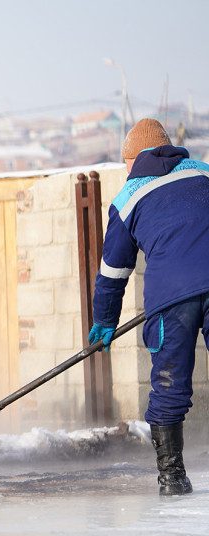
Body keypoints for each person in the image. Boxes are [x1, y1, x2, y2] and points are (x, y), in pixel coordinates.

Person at [89, 117, 209, 496]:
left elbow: (113, 271)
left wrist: (105, 320)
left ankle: (172, 478)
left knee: (170, 383)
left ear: (133, 159)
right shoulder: (204, 171)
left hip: (172, 296)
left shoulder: (128, 197)